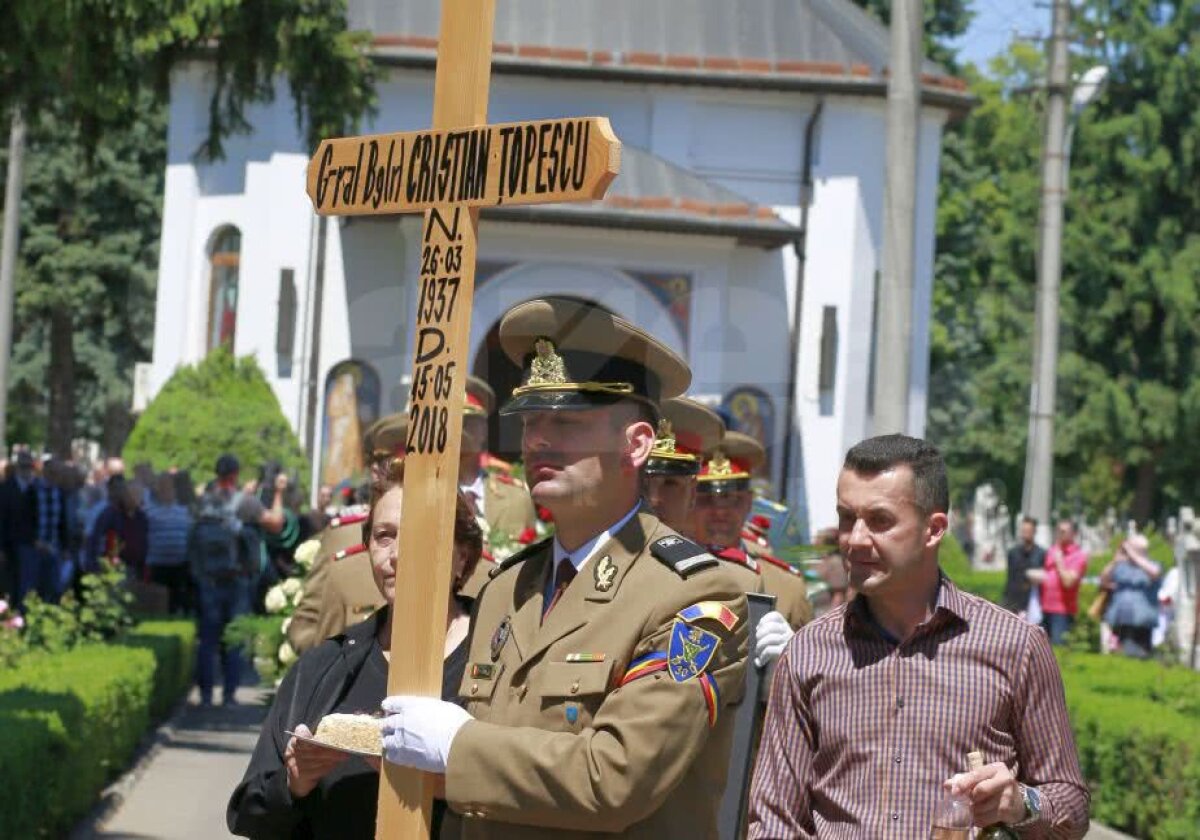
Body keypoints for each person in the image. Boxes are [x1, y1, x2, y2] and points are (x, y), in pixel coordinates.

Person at [378, 297, 750, 837]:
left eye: (567, 420)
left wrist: (458, 746)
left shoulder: (693, 597)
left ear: (637, 444)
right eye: (531, 420)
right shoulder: (508, 586)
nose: (538, 440)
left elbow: (617, 778)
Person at [748, 434, 1089, 839]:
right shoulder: (808, 652)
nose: (854, 539)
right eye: (845, 517)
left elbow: (1071, 808)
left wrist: (1020, 804)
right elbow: (774, 822)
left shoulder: (1016, 647)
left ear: (933, 529)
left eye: (879, 521)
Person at [227, 466, 483, 839]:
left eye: (419, 535)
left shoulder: (502, 658)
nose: (397, 555)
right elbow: (250, 815)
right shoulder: (325, 667)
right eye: (384, 536)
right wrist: (294, 782)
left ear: (463, 556)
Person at [286, 413, 404, 655]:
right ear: (375, 472)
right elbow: (306, 625)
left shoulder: (461, 544)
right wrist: (334, 658)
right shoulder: (345, 537)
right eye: (397, 470)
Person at [695, 431, 813, 631]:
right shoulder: (663, 570)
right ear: (690, 499)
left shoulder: (785, 585)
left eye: (732, 499)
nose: (720, 511)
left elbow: (809, 657)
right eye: (707, 499)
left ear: (749, 502)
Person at [189, 454, 263, 706]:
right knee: (234, 640)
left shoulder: (202, 502)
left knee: (207, 642)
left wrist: (198, 575)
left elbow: (191, 543)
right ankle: (230, 695)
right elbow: (257, 538)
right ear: (235, 473)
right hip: (237, 581)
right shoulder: (245, 502)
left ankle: (206, 695)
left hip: (208, 582)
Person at [457, 374, 538, 598]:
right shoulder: (426, 497)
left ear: (483, 430)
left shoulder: (517, 497)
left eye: (467, 424)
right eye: (453, 424)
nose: (460, 433)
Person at [1100, 534, 1161, 658]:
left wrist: (1133, 555)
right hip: (1120, 618)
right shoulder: (1121, 566)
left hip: (1141, 620)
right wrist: (1114, 561)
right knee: (1120, 653)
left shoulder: (1152, 564)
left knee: (1139, 655)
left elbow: (1154, 573)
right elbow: (1104, 580)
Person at [145, 472, 194, 615]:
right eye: (162, 487)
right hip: (157, 565)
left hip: (180, 565)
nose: (166, 491)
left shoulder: (185, 512)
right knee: (159, 603)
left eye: (169, 487)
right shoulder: (149, 512)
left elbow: (190, 536)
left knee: (177, 601)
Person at [1040, 519, 1088, 645]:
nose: (1059, 534)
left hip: (1062, 611)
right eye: (1058, 531)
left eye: (1063, 531)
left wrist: (1060, 562)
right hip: (1044, 608)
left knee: (1057, 650)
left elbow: (1068, 582)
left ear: (1074, 534)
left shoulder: (1079, 556)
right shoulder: (1051, 550)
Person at [1003, 516, 1045, 614]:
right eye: (1023, 530)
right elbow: (1010, 579)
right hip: (1013, 602)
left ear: (1034, 531)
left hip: (1033, 602)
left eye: (1028, 530)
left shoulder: (1041, 553)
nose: (1025, 533)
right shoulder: (1013, 553)